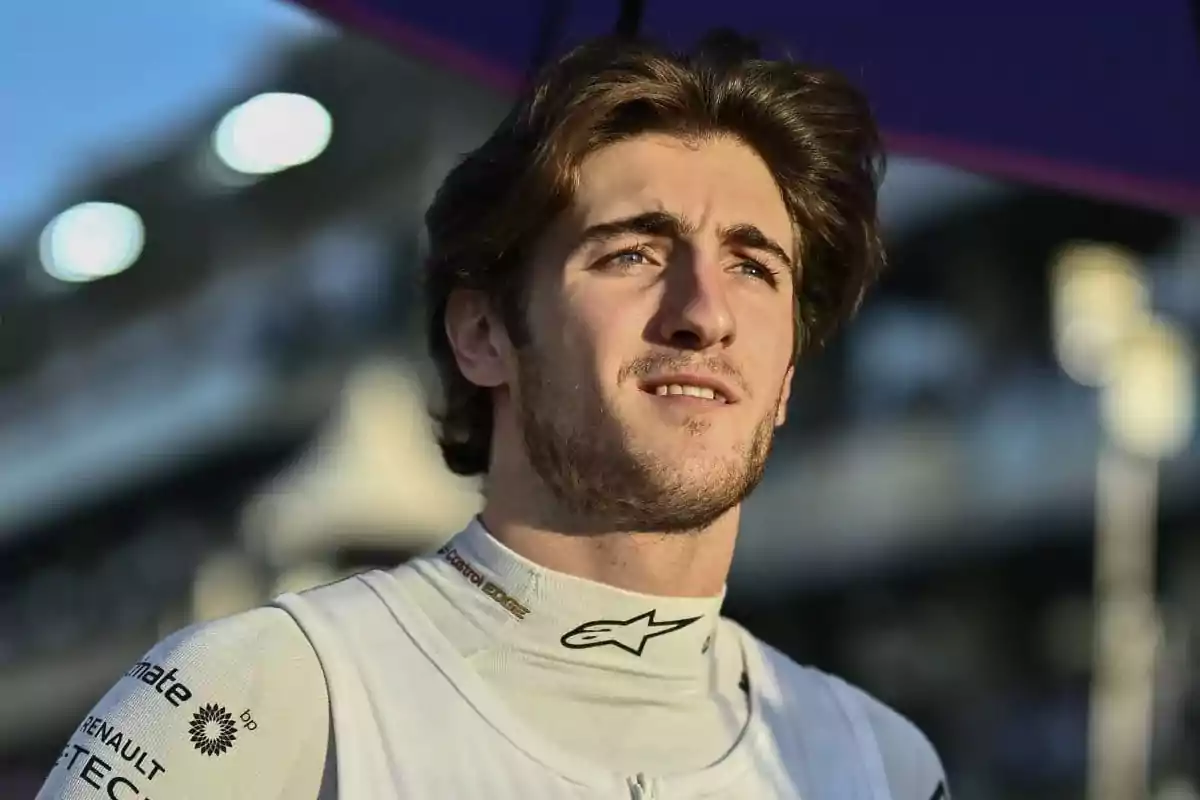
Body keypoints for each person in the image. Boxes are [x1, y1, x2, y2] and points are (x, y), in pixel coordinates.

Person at [36, 30, 949, 800]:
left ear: (788, 369)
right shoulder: (252, 702)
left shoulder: (881, 767)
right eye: (633, 252)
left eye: (755, 268)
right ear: (482, 335)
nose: (704, 312)